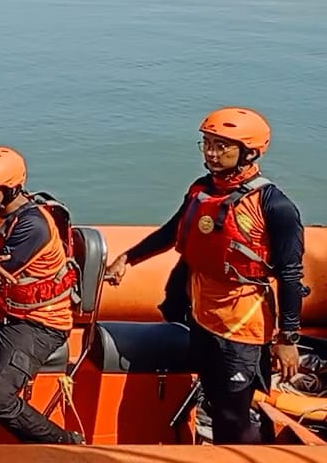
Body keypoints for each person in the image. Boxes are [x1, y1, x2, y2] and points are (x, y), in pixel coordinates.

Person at [105, 107, 307, 444]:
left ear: (250, 152)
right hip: (202, 314)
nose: (212, 153)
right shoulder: (202, 189)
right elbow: (174, 231)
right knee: (213, 401)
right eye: (207, 144)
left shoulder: (275, 207)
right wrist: (129, 257)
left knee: (232, 415)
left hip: (242, 325)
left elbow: (290, 274)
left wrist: (288, 340)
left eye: (222, 146)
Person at [0, 146, 85, 444]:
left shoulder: (33, 225)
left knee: (0, 400)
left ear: (10, 189)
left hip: (39, 322)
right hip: (5, 309)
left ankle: (64, 442)